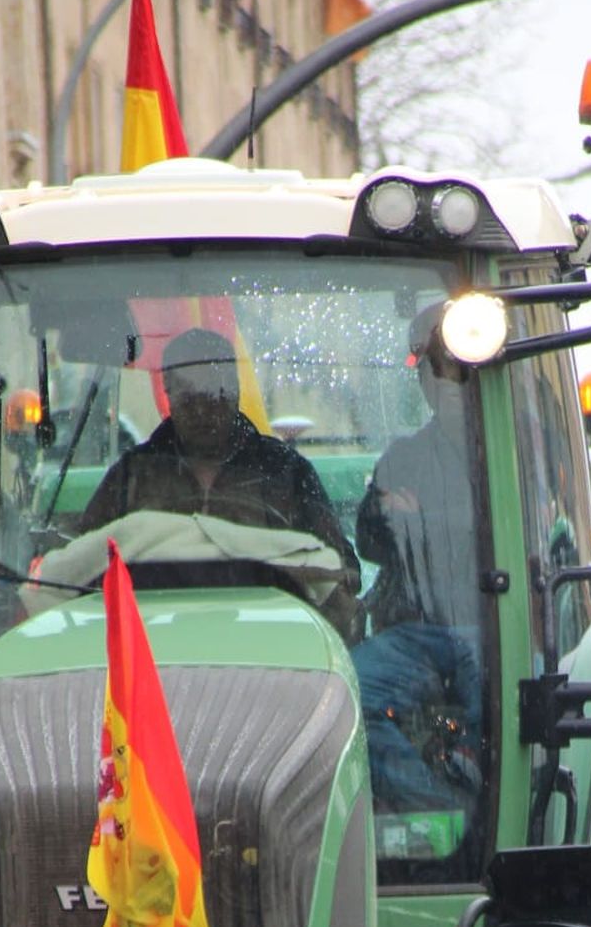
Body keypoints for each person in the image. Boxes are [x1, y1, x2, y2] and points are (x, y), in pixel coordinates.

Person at [77, 326, 360, 630]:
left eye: (212, 395)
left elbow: (340, 571)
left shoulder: (285, 472)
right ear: (168, 393)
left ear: (235, 389)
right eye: (188, 396)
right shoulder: (132, 474)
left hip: (267, 641)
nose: (201, 410)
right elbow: (82, 568)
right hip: (152, 643)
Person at [351, 309, 485, 815]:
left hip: (493, 622)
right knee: (351, 696)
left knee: (500, 707)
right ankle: (442, 808)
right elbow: (368, 540)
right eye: (434, 368)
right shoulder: (405, 455)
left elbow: (516, 521)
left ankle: (485, 785)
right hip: (417, 633)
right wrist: (393, 521)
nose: (445, 380)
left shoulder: (517, 443)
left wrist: (424, 520)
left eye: (454, 366)